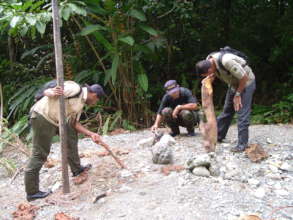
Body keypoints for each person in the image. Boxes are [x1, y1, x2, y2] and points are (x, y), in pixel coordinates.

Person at [24, 80, 105, 201]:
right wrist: (50, 92)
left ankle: (77, 170)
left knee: (71, 134)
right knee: (39, 154)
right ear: (93, 95)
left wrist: (91, 134)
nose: (95, 103)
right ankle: (32, 192)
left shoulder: (80, 103)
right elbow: (50, 89)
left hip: (55, 120)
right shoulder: (74, 89)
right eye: (97, 100)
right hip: (42, 116)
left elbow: (73, 123)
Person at [195, 50, 256, 152]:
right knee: (227, 110)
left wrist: (237, 95)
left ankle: (242, 145)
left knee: (241, 113)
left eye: (207, 74)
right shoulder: (208, 60)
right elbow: (212, 76)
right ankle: (218, 135)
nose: (207, 76)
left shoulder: (227, 61)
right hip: (233, 84)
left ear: (210, 69)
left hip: (246, 83)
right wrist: (207, 81)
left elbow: (244, 78)